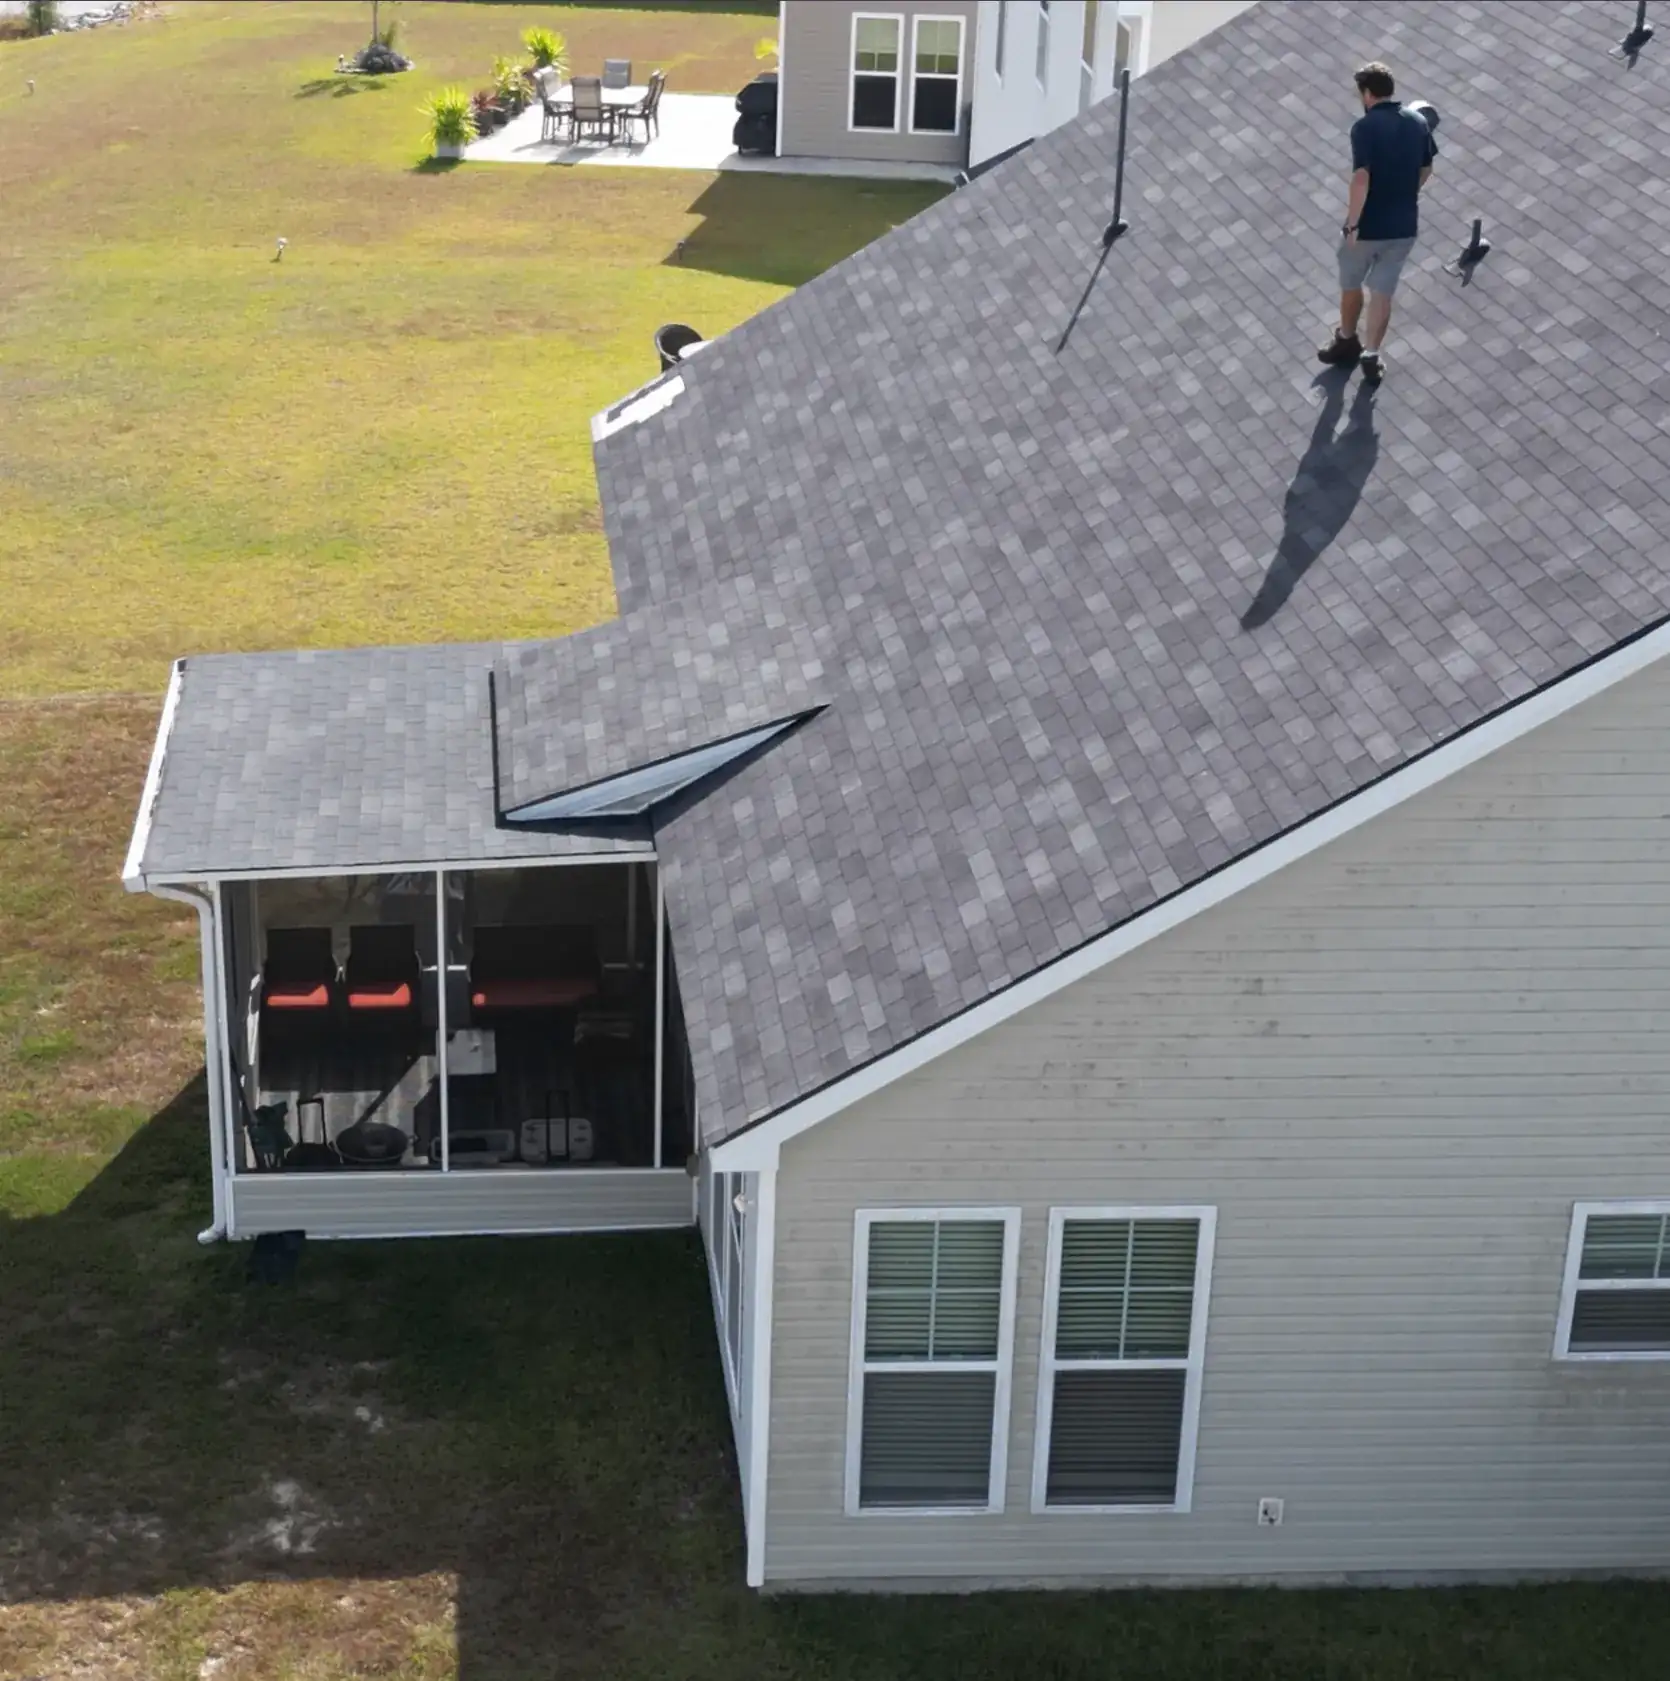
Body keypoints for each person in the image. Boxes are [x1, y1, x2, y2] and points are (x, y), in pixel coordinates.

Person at [1317, 62, 1437, 386]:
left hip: (1369, 226)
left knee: (1352, 282)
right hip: (1403, 227)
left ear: (1367, 94)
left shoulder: (1364, 128)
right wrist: (1406, 195)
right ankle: (1371, 354)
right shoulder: (1418, 122)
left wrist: (1353, 224)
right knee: (1382, 293)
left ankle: (1346, 340)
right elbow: (1426, 169)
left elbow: (1360, 178)